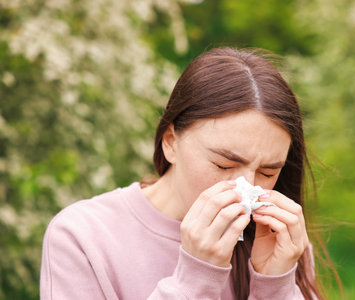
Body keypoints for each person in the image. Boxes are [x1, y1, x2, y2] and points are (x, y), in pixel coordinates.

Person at [40, 47, 327, 299]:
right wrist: (195, 279)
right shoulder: (81, 237)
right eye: (224, 165)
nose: (247, 188)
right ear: (170, 142)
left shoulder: (280, 243)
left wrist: (276, 287)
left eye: (267, 172)